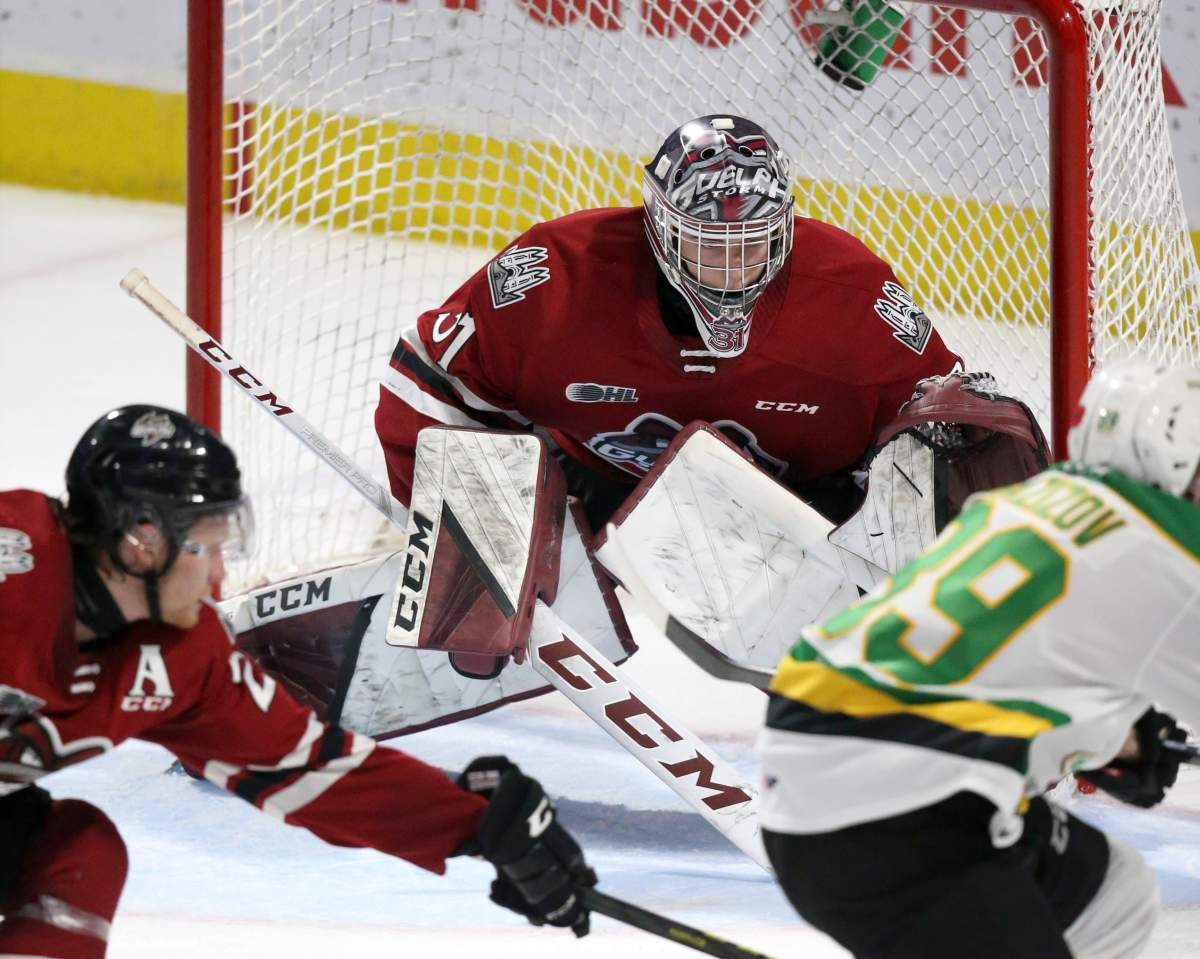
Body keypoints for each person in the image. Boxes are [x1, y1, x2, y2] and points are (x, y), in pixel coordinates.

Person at [0, 405, 596, 958]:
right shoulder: (14, 577)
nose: (221, 573)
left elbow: (308, 767)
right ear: (142, 543)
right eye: (207, 548)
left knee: (79, 851)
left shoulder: (182, 653)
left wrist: (473, 824)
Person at [757, 360, 1200, 958]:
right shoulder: (1167, 553)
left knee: (1107, 892)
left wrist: (1111, 734)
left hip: (831, 782)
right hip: (900, 820)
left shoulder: (1042, 501)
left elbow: (1006, 666)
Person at [376, 114, 962, 530]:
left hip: (803, 514)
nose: (732, 270)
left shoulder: (852, 296)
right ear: (659, 227)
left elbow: (944, 431)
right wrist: (460, 530)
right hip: (590, 490)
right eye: (708, 243)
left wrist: (889, 554)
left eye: (752, 244)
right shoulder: (560, 275)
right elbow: (432, 377)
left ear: (784, 231)